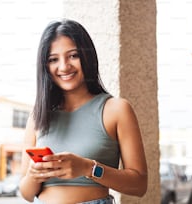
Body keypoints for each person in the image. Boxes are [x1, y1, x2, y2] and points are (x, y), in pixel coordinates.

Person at [19, 18, 148, 204]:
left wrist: (88, 168)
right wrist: (33, 175)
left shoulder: (116, 109)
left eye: (73, 55)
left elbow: (139, 185)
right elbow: (26, 194)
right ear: (45, 66)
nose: (64, 66)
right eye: (53, 59)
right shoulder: (37, 116)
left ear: (87, 56)